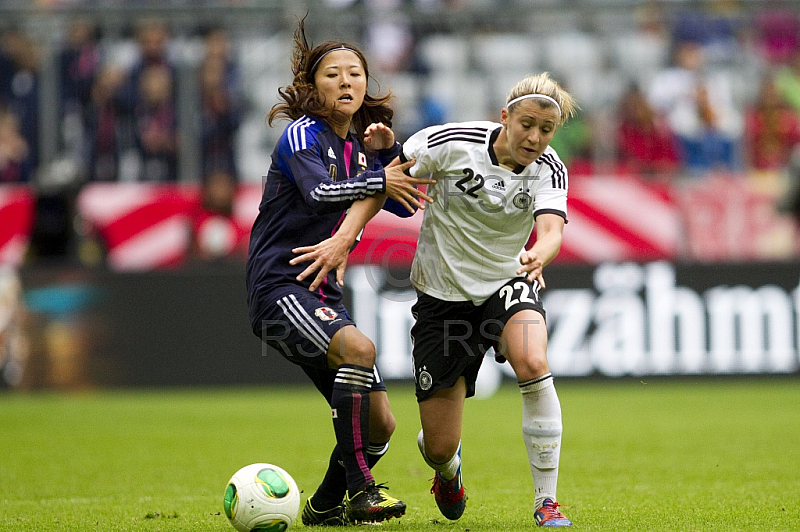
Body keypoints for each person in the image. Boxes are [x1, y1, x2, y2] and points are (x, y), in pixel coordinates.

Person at [292, 72, 577, 527]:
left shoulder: (550, 168)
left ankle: (547, 501)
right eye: (527, 124)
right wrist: (346, 237)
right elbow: (386, 181)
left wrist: (538, 254)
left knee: (533, 361)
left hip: (507, 283)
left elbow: (552, 231)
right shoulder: (450, 142)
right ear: (505, 116)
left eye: (546, 130)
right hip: (442, 300)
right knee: (438, 446)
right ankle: (448, 470)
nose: (535, 137)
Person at [245, 17, 434, 527]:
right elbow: (318, 193)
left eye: (355, 72)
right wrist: (379, 172)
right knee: (359, 349)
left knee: (382, 425)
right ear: (311, 87)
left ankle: (324, 506)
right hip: (281, 285)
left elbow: (401, 203)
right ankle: (363, 490)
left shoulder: (357, 147)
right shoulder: (301, 134)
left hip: (322, 290)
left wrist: (390, 153)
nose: (347, 81)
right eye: (333, 74)